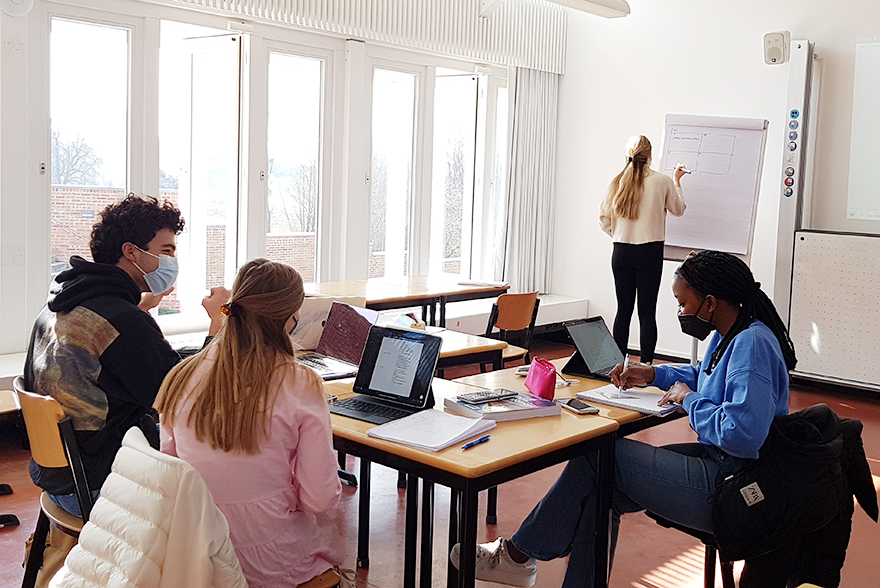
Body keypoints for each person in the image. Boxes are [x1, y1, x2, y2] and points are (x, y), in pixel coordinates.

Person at [450, 250, 797, 588]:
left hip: (736, 486)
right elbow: (706, 375)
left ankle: (519, 556)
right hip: (722, 466)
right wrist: (653, 375)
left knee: (597, 455)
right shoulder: (732, 334)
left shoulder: (752, 344)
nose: (680, 311)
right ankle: (525, 559)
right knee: (604, 491)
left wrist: (689, 401)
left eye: (682, 303)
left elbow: (742, 435)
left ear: (709, 303)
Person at [24, 194, 227, 517]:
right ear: (131, 252)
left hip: (61, 476)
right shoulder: (122, 321)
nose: (172, 261)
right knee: (229, 463)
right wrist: (218, 322)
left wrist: (139, 309)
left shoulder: (62, 303)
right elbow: (186, 401)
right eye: (167, 251)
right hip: (102, 484)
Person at [155, 259, 344, 587]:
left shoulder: (180, 375)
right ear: (291, 317)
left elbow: (173, 478)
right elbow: (320, 498)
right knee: (337, 551)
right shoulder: (301, 382)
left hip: (197, 552)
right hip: (270, 556)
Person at [599, 135, 687, 365]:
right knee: (647, 313)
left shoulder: (616, 182)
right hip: (649, 252)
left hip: (621, 252)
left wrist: (620, 234)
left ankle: (617, 366)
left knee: (623, 310)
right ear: (649, 155)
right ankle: (647, 366)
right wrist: (678, 182)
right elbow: (679, 209)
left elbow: (604, 220)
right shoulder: (662, 181)